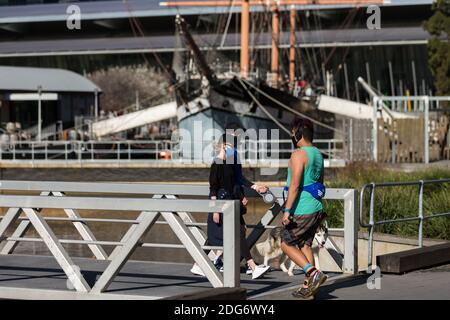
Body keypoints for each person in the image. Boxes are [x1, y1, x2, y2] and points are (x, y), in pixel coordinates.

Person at [190, 133, 270, 279]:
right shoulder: (217, 164)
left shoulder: (231, 162)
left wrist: (254, 188)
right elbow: (213, 188)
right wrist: (215, 210)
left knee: (222, 234)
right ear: (223, 146)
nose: (233, 149)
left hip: (231, 202)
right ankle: (252, 267)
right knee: (232, 233)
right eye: (230, 146)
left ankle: (198, 264)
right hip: (220, 204)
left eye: (234, 146)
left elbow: (237, 181)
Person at [281, 117, 327, 299]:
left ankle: (313, 273)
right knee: (305, 245)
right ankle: (309, 289)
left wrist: (287, 211)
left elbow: (294, 185)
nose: (292, 137)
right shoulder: (317, 154)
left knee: (286, 244)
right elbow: (320, 183)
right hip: (316, 206)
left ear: (298, 134)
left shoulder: (298, 154)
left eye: (292, 133)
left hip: (302, 208)